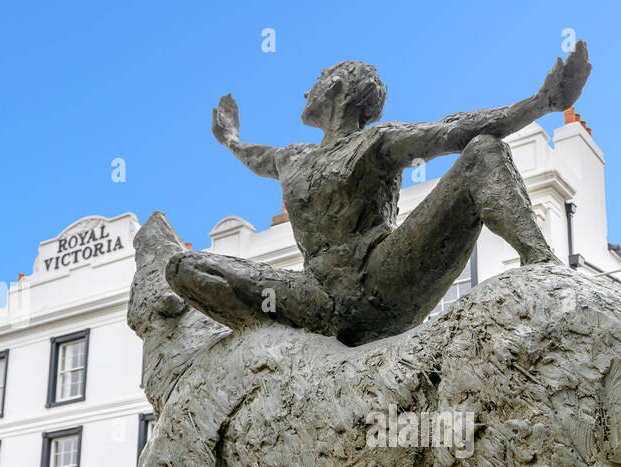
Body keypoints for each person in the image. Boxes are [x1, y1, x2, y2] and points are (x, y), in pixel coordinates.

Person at [165, 43, 591, 345]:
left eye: (315, 81)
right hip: (314, 297)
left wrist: (540, 104)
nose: (305, 91)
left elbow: (455, 131)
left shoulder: (378, 142)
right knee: (186, 267)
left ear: (336, 88)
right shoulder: (291, 157)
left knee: (483, 151)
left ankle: (541, 264)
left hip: (384, 279)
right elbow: (254, 156)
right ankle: (273, 352)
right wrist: (230, 139)